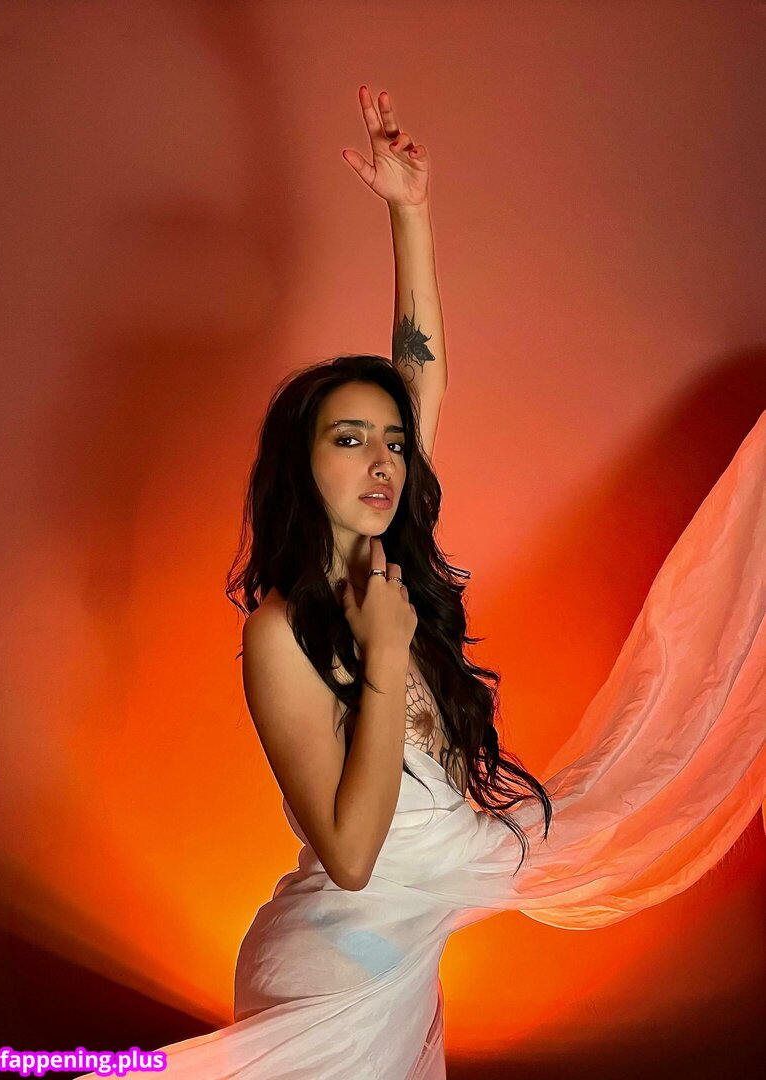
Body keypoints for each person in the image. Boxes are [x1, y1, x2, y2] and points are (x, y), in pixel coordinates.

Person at [80, 85, 766, 1080]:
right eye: (348, 439)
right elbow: (352, 857)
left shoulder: (393, 562)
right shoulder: (282, 629)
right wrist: (385, 655)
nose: (382, 461)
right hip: (334, 974)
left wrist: (410, 212)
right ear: (300, 464)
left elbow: (421, 370)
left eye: (393, 444)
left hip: (400, 961)